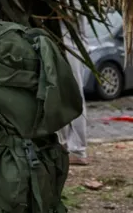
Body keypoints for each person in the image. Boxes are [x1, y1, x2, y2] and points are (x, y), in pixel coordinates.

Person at [60, 25, 90, 166]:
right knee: (63, 96)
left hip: (71, 48)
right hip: (69, 46)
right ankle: (65, 143)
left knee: (74, 96)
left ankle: (78, 150)